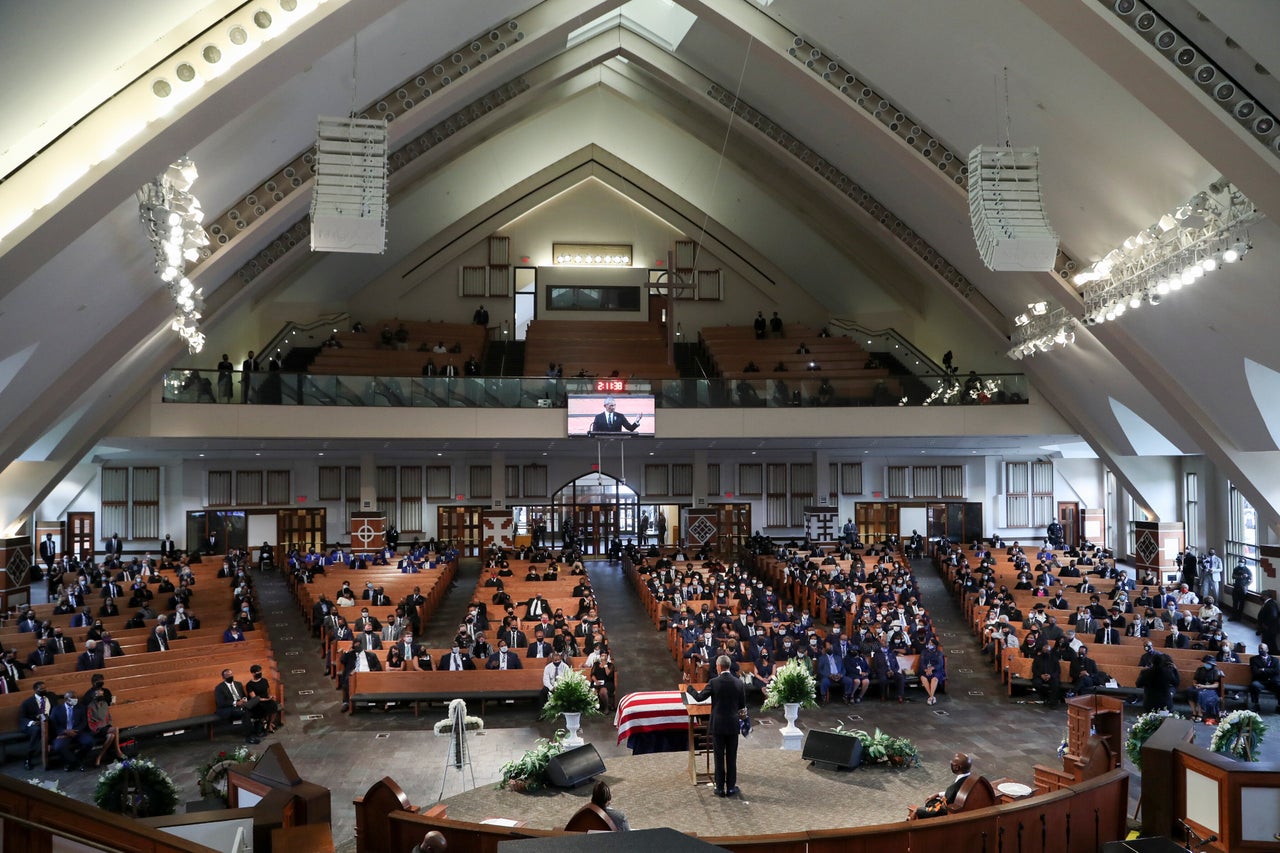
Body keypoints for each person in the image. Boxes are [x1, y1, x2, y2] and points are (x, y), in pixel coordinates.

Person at [682, 654, 746, 798]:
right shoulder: (738, 683)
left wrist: (689, 687)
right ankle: (730, 788)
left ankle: (719, 788)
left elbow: (699, 697)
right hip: (733, 725)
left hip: (718, 725)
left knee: (718, 756)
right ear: (729, 666)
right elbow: (742, 705)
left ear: (719, 666)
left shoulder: (714, 682)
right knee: (731, 757)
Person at [908, 753, 973, 819]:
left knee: (919, 811)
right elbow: (955, 794)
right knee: (930, 801)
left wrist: (918, 810)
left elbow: (942, 809)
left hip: (946, 812)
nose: (951, 764)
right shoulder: (969, 778)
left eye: (952, 763)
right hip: (956, 803)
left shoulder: (956, 787)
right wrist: (938, 794)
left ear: (957, 767)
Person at [215, 669, 262, 744]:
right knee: (245, 711)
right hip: (229, 708)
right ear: (223, 677)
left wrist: (244, 700)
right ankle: (249, 737)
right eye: (228, 675)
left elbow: (244, 696)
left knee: (257, 698)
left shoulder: (238, 684)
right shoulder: (219, 688)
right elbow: (221, 703)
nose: (230, 676)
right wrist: (236, 703)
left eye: (231, 674)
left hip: (242, 705)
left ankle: (258, 728)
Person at [49, 691, 93, 770]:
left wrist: (76, 730)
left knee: (89, 742)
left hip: (77, 732)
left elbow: (84, 722)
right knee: (58, 746)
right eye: (73, 698)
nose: (76, 699)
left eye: (76, 697)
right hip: (64, 733)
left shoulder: (81, 707)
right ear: (66, 699)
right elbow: (53, 724)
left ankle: (77, 758)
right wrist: (65, 731)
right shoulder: (56, 709)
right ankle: (74, 761)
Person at [84, 685, 126, 765]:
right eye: (99, 695)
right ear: (94, 696)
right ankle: (118, 751)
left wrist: (108, 724)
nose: (101, 696)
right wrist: (99, 726)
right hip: (97, 729)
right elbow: (90, 721)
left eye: (102, 695)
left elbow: (108, 717)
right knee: (115, 729)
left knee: (111, 736)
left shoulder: (105, 704)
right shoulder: (90, 706)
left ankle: (99, 758)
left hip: (106, 727)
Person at [19, 681, 51, 771]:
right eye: (41, 689)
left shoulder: (49, 698)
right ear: (35, 690)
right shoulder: (27, 702)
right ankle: (28, 758)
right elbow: (22, 718)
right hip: (32, 724)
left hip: (47, 722)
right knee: (36, 730)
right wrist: (33, 722)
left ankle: (53, 752)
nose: (44, 690)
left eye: (45, 688)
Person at [1187, 655, 1222, 724]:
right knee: (1189, 690)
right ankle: (1194, 712)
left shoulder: (1215, 671)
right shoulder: (1200, 669)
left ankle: (1200, 713)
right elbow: (1195, 680)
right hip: (1199, 686)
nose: (1207, 664)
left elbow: (1216, 685)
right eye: (1206, 663)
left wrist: (1204, 686)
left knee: (1200, 694)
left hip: (1210, 689)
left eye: (1208, 663)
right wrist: (1195, 685)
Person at [246, 664, 280, 733]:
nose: (259, 673)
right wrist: (266, 699)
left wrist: (270, 696)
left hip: (266, 699)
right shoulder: (249, 684)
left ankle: (269, 723)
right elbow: (254, 698)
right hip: (257, 702)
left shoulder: (264, 680)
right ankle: (267, 724)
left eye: (260, 671)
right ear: (253, 673)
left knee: (274, 705)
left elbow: (268, 691)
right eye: (257, 672)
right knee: (265, 708)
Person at [1247, 643, 1280, 713]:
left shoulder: (1275, 660)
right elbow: (1255, 672)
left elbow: (1276, 671)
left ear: (1267, 650)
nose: (1260, 650)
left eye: (1262, 648)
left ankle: (1279, 706)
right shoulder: (1253, 659)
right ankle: (1256, 705)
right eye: (1259, 648)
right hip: (1260, 681)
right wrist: (1270, 671)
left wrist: (1263, 670)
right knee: (1254, 685)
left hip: (1272, 682)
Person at [919, 640, 946, 705]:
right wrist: (926, 669)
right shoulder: (924, 652)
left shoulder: (939, 653)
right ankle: (931, 696)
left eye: (931, 644)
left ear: (935, 645)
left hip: (936, 670)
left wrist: (932, 668)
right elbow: (922, 662)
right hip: (926, 670)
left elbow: (940, 664)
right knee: (923, 678)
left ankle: (931, 697)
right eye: (929, 643)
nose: (929, 644)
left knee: (934, 679)